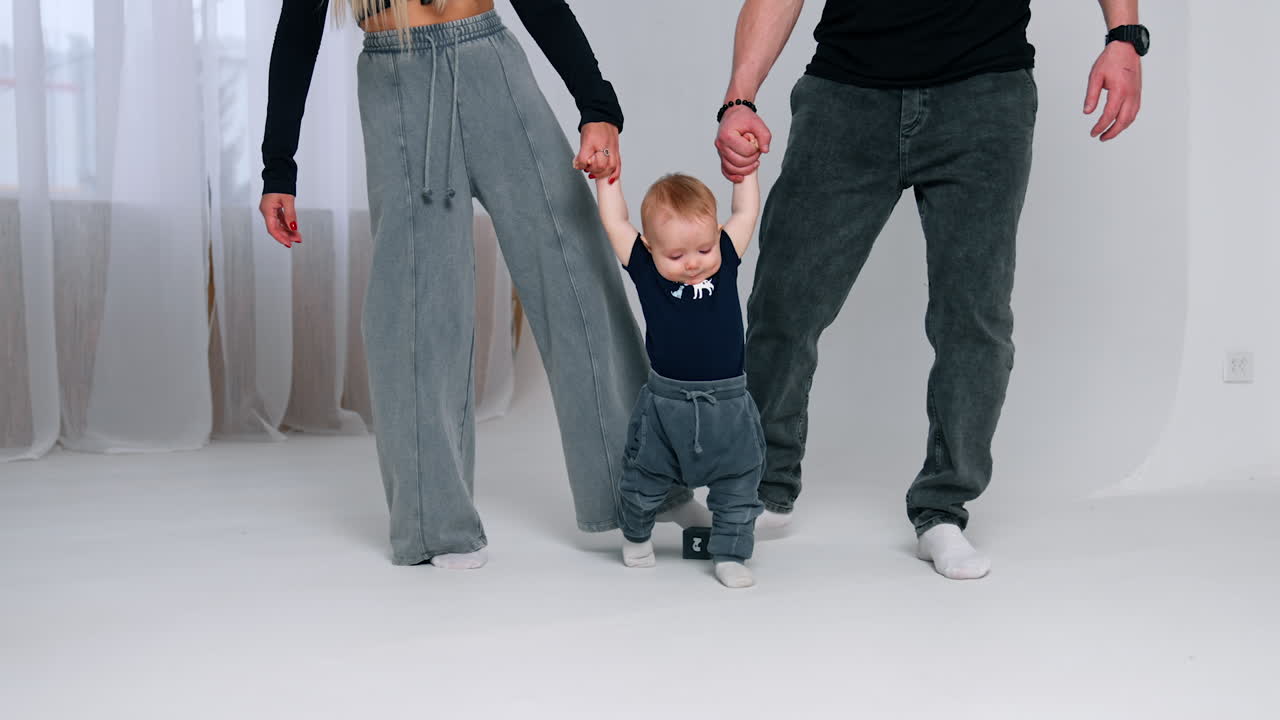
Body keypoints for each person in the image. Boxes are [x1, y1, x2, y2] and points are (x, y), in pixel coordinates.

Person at [259, 0, 710, 569]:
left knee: (578, 272)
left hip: (489, 64)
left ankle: (648, 487)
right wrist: (279, 166)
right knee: (416, 306)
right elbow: (298, 28)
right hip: (395, 83)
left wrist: (596, 105)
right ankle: (434, 525)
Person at [715, 0, 1148, 579]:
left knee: (973, 316)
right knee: (784, 301)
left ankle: (943, 508)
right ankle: (763, 486)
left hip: (984, 93)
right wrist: (740, 97)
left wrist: (1124, 36)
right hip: (846, 91)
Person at [592, 150, 765, 588]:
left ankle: (730, 554)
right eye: (676, 255)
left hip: (729, 405)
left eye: (704, 249)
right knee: (644, 477)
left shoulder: (725, 257)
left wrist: (745, 170)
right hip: (666, 406)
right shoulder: (646, 270)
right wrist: (607, 177)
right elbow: (615, 222)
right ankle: (635, 537)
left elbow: (746, 212)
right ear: (651, 248)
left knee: (740, 484)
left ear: (717, 236)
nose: (692, 263)